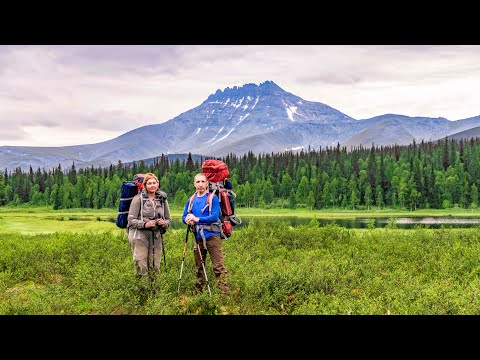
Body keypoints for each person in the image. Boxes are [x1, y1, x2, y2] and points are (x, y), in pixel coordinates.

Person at [182, 173, 229, 294]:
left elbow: (214, 216)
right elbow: (183, 216)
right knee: (199, 267)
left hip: (212, 236)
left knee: (218, 267)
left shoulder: (212, 198)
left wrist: (197, 219)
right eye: (198, 182)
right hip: (197, 237)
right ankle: (199, 293)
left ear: (207, 183)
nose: (200, 185)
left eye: (203, 182)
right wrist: (186, 219)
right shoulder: (191, 200)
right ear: (194, 184)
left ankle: (224, 295)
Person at [127, 172, 171, 281]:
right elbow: (131, 220)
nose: (152, 185)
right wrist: (145, 224)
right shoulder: (138, 199)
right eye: (149, 183)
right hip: (139, 236)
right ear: (145, 185)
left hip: (156, 236)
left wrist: (163, 224)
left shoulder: (162, 199)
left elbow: (168, 219)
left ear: (158, 184)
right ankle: (143, 292)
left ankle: (155, 292)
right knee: (141, 265)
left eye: (154, 183)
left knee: (155, 265)